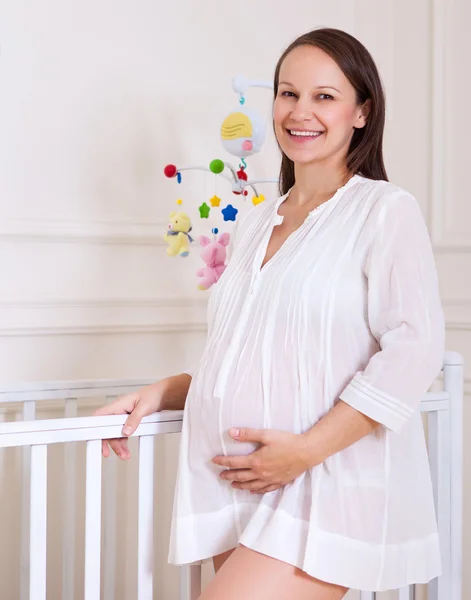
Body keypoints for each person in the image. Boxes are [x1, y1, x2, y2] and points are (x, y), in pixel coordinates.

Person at [95, 28, 445, 600]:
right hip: (233, 481)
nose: (299, 112)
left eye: (324, 97)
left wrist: (304, 452)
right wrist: (166, 390)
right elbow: (251, 351)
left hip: (320, 479)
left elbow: (414, 348)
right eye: (288, 93)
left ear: (362, 112)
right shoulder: (257, 222)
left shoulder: (383, 211)